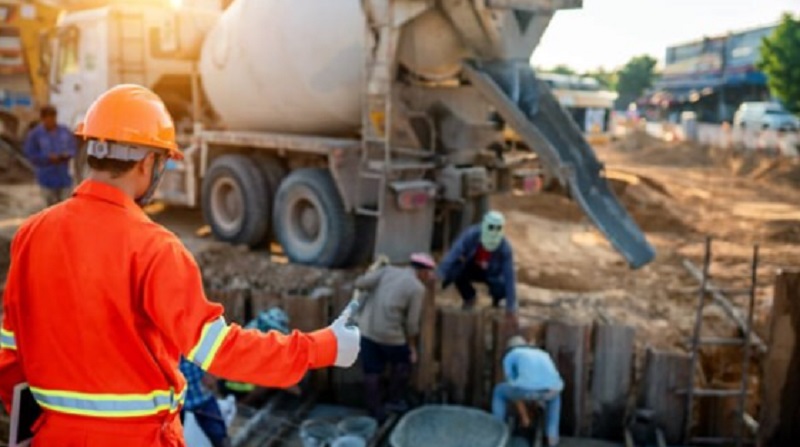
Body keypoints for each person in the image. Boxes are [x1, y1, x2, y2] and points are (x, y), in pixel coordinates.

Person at [0, 85, 360, 446]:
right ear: (147, 163)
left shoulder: (31, 234)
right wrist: (322, 346)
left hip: (51, 437)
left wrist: (39, 425)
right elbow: (221, 351)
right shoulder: (155, 248)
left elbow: (10, 351)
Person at [354, 253, 436, 421]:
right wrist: (412, 348)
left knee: (372, 372)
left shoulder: (387, 271)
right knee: (403, 365)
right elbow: (412, 324)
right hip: (391, 336)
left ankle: (374, 411)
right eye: (429, 273)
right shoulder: (417, 288)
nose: (430, 277)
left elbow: (360, 283)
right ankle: (394, 400)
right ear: (422, 272)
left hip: (367, 332)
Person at [438, 211, 517, 320]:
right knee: (456, 270)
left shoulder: (505, 248)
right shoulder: (471, 234)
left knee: (501, 287)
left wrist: (511, 308)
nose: (493, 231)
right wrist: (439, 274)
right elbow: (454, 253)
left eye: (497, 228)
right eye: (491, 227)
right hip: (472, 267)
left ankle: (497, 301)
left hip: (491, 273)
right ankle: (469, 297)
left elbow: (510, 276)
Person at [492, 336, 563, 447]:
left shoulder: (510, 356)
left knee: (499, 391)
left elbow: (513, 385)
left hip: (525, 390)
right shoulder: (543, 354)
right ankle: (552, 437)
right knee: (555, 399)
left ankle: (496, 430)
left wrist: (524, 417)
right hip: (551, 391)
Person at [23, 105, 77, 206]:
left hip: (64, 177)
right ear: (43, 119)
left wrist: (65, 155)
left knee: (64, 207)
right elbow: (30, 153)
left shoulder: (64, 132)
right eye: (48, 118)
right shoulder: (35, 134)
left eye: (53, 117)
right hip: (46, 177)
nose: (51, 120)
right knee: (49, 207)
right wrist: (46, 158)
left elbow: (73, 149)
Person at [180, 358, 231, 447]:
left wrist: (212, 373)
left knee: (218, 434)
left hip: (203, 397)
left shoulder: (196, 348)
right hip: (178, 404)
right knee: (173, 436)